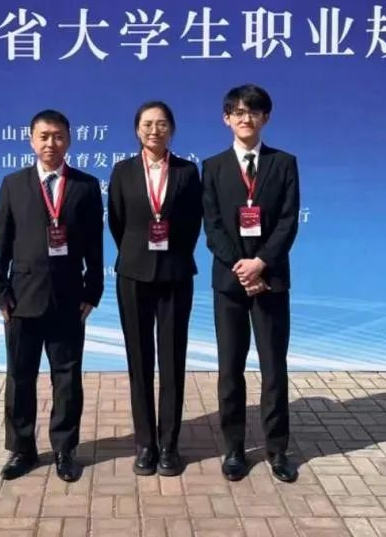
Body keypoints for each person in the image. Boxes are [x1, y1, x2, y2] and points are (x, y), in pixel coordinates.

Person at [0, 109, 104, 482]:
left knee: (67, 378)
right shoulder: (13, 184)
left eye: (58, 136)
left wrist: (93, 290)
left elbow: (95, 244)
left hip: (68, 297)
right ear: (31, 140)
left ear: (69, 139)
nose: (51, 143)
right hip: (21, 299)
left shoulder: (86, 186)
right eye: (44, 136)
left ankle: (65, 449)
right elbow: (0, 240)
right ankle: (22, 449)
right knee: (20, 377)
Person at [201, 84, 300, 483]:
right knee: (230, 369)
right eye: (238, 112)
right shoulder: (212, 167)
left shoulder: (284, 163)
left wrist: (260, 263)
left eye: (254, 112)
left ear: (266, 118)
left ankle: (277, 450)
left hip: (271, 280)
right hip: (229, 283)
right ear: (226, 119)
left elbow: (288, 222)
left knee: (274, 368)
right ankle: (234, 449)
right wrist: (240, 268)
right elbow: (212, 227)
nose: (246, 118)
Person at [108, 101, 202, 477]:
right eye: (147, 124)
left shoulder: (187, 171)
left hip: (175, 274)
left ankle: (170, 446)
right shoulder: (122, 171)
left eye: (162, 124)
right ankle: (145, 444)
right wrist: (136, 254)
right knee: (140, 360)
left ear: (172, 130)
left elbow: (193, 222)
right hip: (133, 274)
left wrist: (173, 254)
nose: (154, 130)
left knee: (173, 361)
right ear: (137, 130)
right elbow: (117, 222)